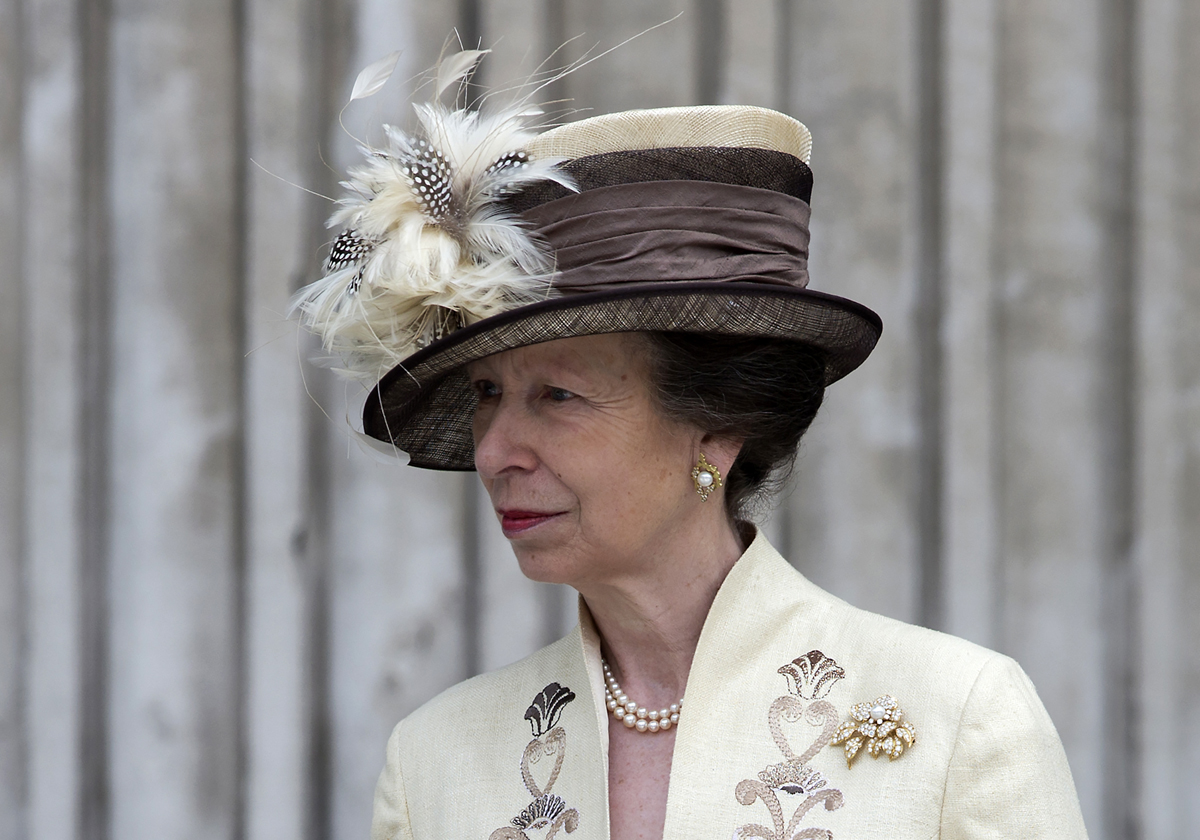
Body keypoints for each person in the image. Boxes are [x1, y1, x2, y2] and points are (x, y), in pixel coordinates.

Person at [295, 52, 1089, 840]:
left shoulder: (961, 722)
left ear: (717, 427)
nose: (497, 450)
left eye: (558, 396)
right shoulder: (434, 762)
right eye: (486, 394)